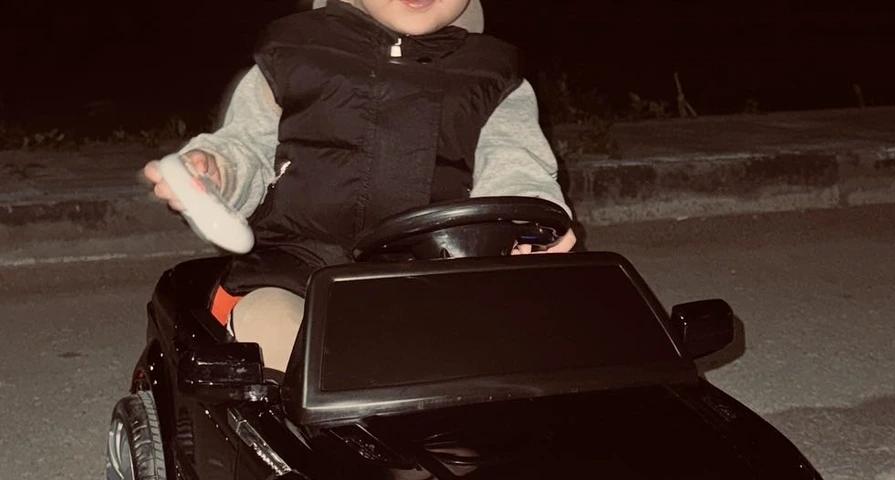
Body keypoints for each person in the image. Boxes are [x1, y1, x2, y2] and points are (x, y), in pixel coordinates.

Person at [143, 0, 576, 371]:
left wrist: (530, 220)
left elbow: (516, 166)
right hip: (295, 271)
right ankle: (307, 438)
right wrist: (217, 171)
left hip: (435, 281)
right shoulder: (294, 53)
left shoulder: (494, 77)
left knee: (516, 350)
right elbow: (247, 146)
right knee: (273, 326)